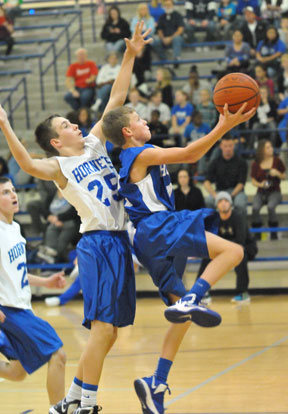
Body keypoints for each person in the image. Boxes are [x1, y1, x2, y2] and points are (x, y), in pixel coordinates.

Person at [0, 22, 152, 414]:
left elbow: (116, 99)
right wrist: (3, 124)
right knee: (103, 329)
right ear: (56, 140)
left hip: (119, 241)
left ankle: (70, 400)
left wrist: (130, 54)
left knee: (114, 332)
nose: (74, 124)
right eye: (65, 125)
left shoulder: (95, 143)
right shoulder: (60, 166)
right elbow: (25, 162)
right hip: (99, 242)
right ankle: (85, 403)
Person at [101, 101, 255, 414]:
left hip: (149, 240)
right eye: (139, 118)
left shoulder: (136, 153)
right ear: (128, 131)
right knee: (234, 251)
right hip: (158, 226)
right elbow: (189, 154)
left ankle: (156, 384)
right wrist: (223, 126)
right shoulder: (138, 153)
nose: (146, 121)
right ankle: (194, 297)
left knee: (180, 319)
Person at [0, 177, 66, 406]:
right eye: (5, 193)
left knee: (17, 372)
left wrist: (45, 282)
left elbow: (16, 271)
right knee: (57, 354)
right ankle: (58, 411)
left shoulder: (15, 228)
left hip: (19, 305)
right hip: (10, 310)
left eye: (13, 190)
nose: (13, 195)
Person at [196, 191, 252, 304]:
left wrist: (222, 248)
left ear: (230, 204)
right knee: (206, 256)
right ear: (217, 205)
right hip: (222, 251)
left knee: (241, 256)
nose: (223, 203)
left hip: (244, 247)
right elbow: (210, 240)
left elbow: (240, 241)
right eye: (220, 201)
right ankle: (201, 292)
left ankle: (243, 293)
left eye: (226, 201)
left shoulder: (238, 217)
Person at [204, 134, 248, 215]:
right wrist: (215, 196)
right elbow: (206, 182)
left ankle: (241, 226)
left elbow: (241, 183)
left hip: (236, 192)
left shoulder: (241, 162)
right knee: (208, 201)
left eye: (230, 146)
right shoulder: (215, 162)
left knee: (240, 204)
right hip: (219, 192)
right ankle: (213, 226)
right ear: (221, 146)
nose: (228, 148)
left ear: (234, 146)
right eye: (225, 146)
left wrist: (230, 197)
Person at [251, 140, 286, 239]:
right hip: (261, 191)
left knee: (271, 207)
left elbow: (284, 176)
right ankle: (257, 232)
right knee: (255, 208)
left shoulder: (277, 161)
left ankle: (273, 232)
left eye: (271, 146)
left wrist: (277, 173)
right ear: (262, 150)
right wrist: (260, 184)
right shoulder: (256, 163)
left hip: (275, 191)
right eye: (268, 147)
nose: (271, 149)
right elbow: (253, 181)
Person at [36, 190, 81, 264]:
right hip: (54, 223)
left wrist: (59, 218)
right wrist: (50, 217)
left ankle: (59, 262)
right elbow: (44, 210)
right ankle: (50, 258)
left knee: (61, 242)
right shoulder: (51, 194)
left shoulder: (73, 193)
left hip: (71, 223)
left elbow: (75, 211)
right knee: (50, 234)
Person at [153, 0, 184, 68]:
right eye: (166, 5)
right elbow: (159, 30)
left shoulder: (178, 15)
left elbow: (180, 29)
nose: (167, 7)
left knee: (177, 39)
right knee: (156, 42)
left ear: (173, 5)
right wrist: (163, 38)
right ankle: (165, 61)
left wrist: (170, 38)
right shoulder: (162, 17)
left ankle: (176, 59)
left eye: (169, 5)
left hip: (175, 37)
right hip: (164, 38)